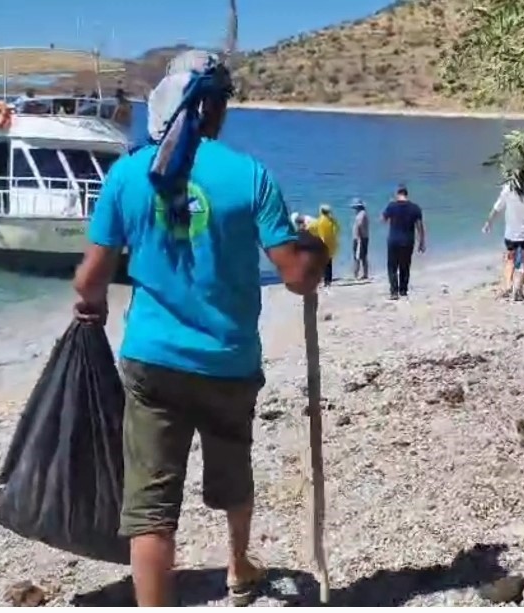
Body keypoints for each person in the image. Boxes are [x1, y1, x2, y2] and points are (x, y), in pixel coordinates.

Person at [71, 50, 328, 607]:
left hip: (152, 363)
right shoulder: (249, 176)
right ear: (213, 106)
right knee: (233, 468)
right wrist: (318, 251)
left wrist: (89, 309)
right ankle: (238, 566)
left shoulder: (126, 173)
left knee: (151, 509)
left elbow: (90, 280)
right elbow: (296, 278)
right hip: (227, 362)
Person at [482, 167, 524, 300]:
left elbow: (496, 208)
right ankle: (518, 288)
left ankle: (508, 285)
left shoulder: (507, 189)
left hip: (511, 233)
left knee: (510, 259)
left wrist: (488, 223)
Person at [382, 184, 425, 299]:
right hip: (408, 241)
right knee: (405, 266)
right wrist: (422, 242)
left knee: (392, 266)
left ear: (397, 194)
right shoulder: (415, 208)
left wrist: (389, 208)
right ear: (406, 194)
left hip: (393, 240)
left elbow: (383, 220)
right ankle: (403, 290)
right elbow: (420, 227)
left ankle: (394, 292)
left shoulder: (392, 206)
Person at [310, 204, 340, 286]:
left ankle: (323, 280)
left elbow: (312, 229)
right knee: (329, 263)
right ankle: (328, 280)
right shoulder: (332, 221)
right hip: (331, 244)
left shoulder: (319, 221)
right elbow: (337, 230)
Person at [350, 198, 370, 279]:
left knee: (357, 257)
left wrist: (359, 237)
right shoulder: (363, 214)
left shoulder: (361, 214)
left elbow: (360, 225)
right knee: (363, 256)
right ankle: (364, 274)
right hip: (363, 237)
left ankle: (356, 274)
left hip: (360, 238)